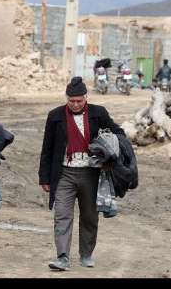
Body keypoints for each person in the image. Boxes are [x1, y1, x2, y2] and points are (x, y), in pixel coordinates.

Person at [38, 76, 125, 271]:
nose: (76, 105)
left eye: (79, 101)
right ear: (66, 98)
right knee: (62, 215)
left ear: (86, 97)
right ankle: (62, 257)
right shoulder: (55, 116)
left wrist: (112, 146)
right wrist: (44, 177)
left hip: (91, 174)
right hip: (64, 174)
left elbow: (117, 132)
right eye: (72, 101)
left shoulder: (98, 113)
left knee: (89, 216)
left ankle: (86, 254)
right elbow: (47, 148)